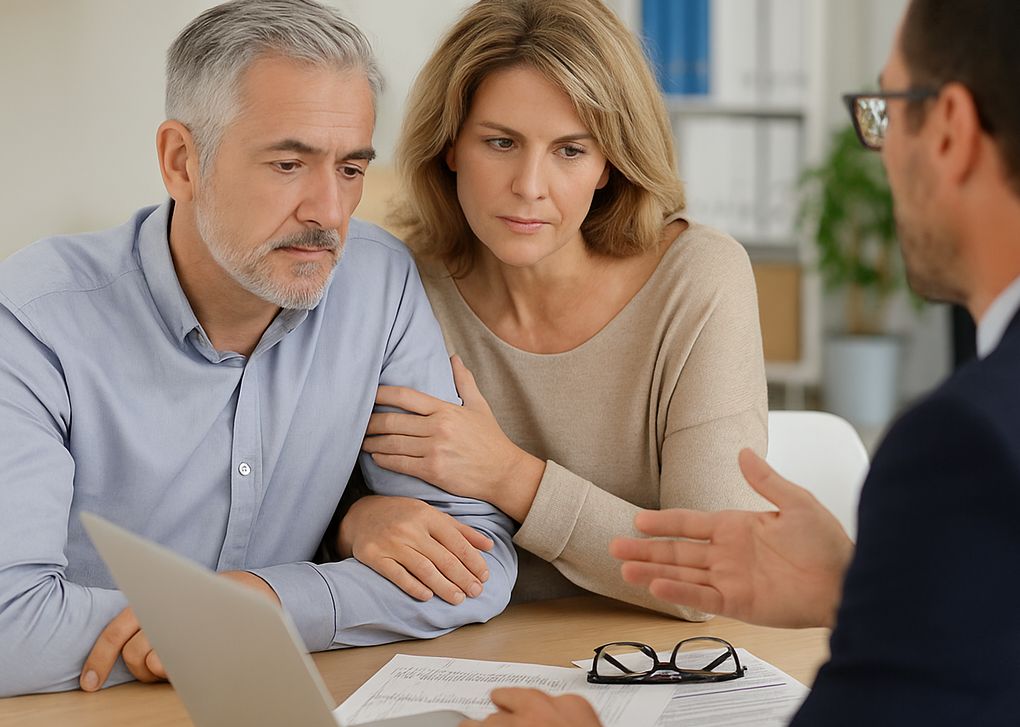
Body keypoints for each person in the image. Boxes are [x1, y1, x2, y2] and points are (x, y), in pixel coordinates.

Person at [463, 0, 1020, 723]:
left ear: (948, 130)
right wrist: (850, 589)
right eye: (500, 142)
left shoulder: (967, 445)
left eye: (885, 112)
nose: (530, 183)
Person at [0, 0, 517, 699]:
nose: (328, 212)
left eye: (351, 169)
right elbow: (10, 629)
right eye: (288, 163)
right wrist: (243, 617)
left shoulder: (377, 282)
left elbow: (473, 566)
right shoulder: (32, 321)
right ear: (181, 162)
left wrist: (272, 600)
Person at [337, 0, 770, 618]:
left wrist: (509, 476)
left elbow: (718, 574)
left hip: (650, 658)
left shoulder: (697, 279)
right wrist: (354, 521)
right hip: (460, 654)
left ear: (608, 163)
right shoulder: (399, 288)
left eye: (570, 150)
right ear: (450, 145)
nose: (530, 186)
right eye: (501, 142)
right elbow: (305, 502)